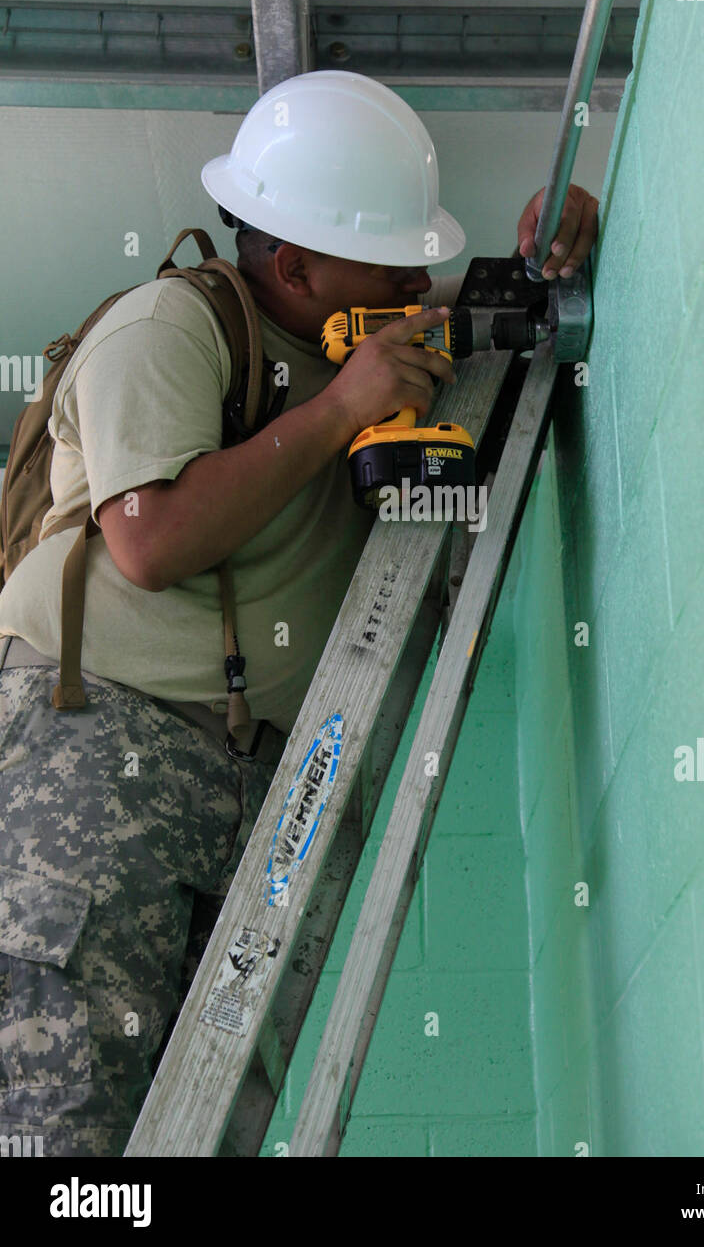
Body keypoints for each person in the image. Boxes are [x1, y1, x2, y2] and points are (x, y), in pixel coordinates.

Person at [0, 69, 598, 1156]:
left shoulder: (361, 352)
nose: (418, 279)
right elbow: (148, 539)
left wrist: (559, 239)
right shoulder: (167, 326)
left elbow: (499, 311)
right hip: (95, 748)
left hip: (247, 785)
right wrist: (340, 412)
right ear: (293, 263)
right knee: (59, 1107)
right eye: (392, 257)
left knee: (171, 1132)